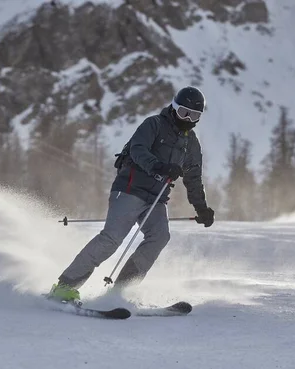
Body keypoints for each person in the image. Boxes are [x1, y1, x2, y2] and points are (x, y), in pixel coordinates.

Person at [49, 86, 215, 302]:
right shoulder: (154, 124)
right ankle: (65, 286)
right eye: (184, 112)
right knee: (112, 238)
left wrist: (202, 208)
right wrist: (159, 166)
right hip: (130, 189)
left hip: (156, 199)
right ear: (174, 108)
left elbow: (193, 179)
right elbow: (138, 149)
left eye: (194, 115)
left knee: (160, 236)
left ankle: (121, 290)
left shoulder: (191, 144)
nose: (188, 119)